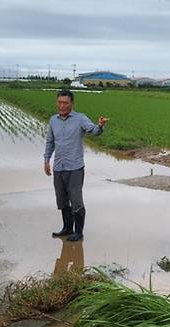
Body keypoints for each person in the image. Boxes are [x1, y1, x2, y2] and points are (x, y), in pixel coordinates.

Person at [44, 90, 108, 242]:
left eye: (65, 103)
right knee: (61, 199)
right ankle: (67, 228)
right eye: (59, 102)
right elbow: (50, 142)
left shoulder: (80, 119)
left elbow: (93, 130)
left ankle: (78, 232)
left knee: (76, 200)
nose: (62, 105)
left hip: (75, 168)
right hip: (59, 166)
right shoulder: (53, 120)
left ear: (72, 104)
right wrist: (46, 160)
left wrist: (100, 126)